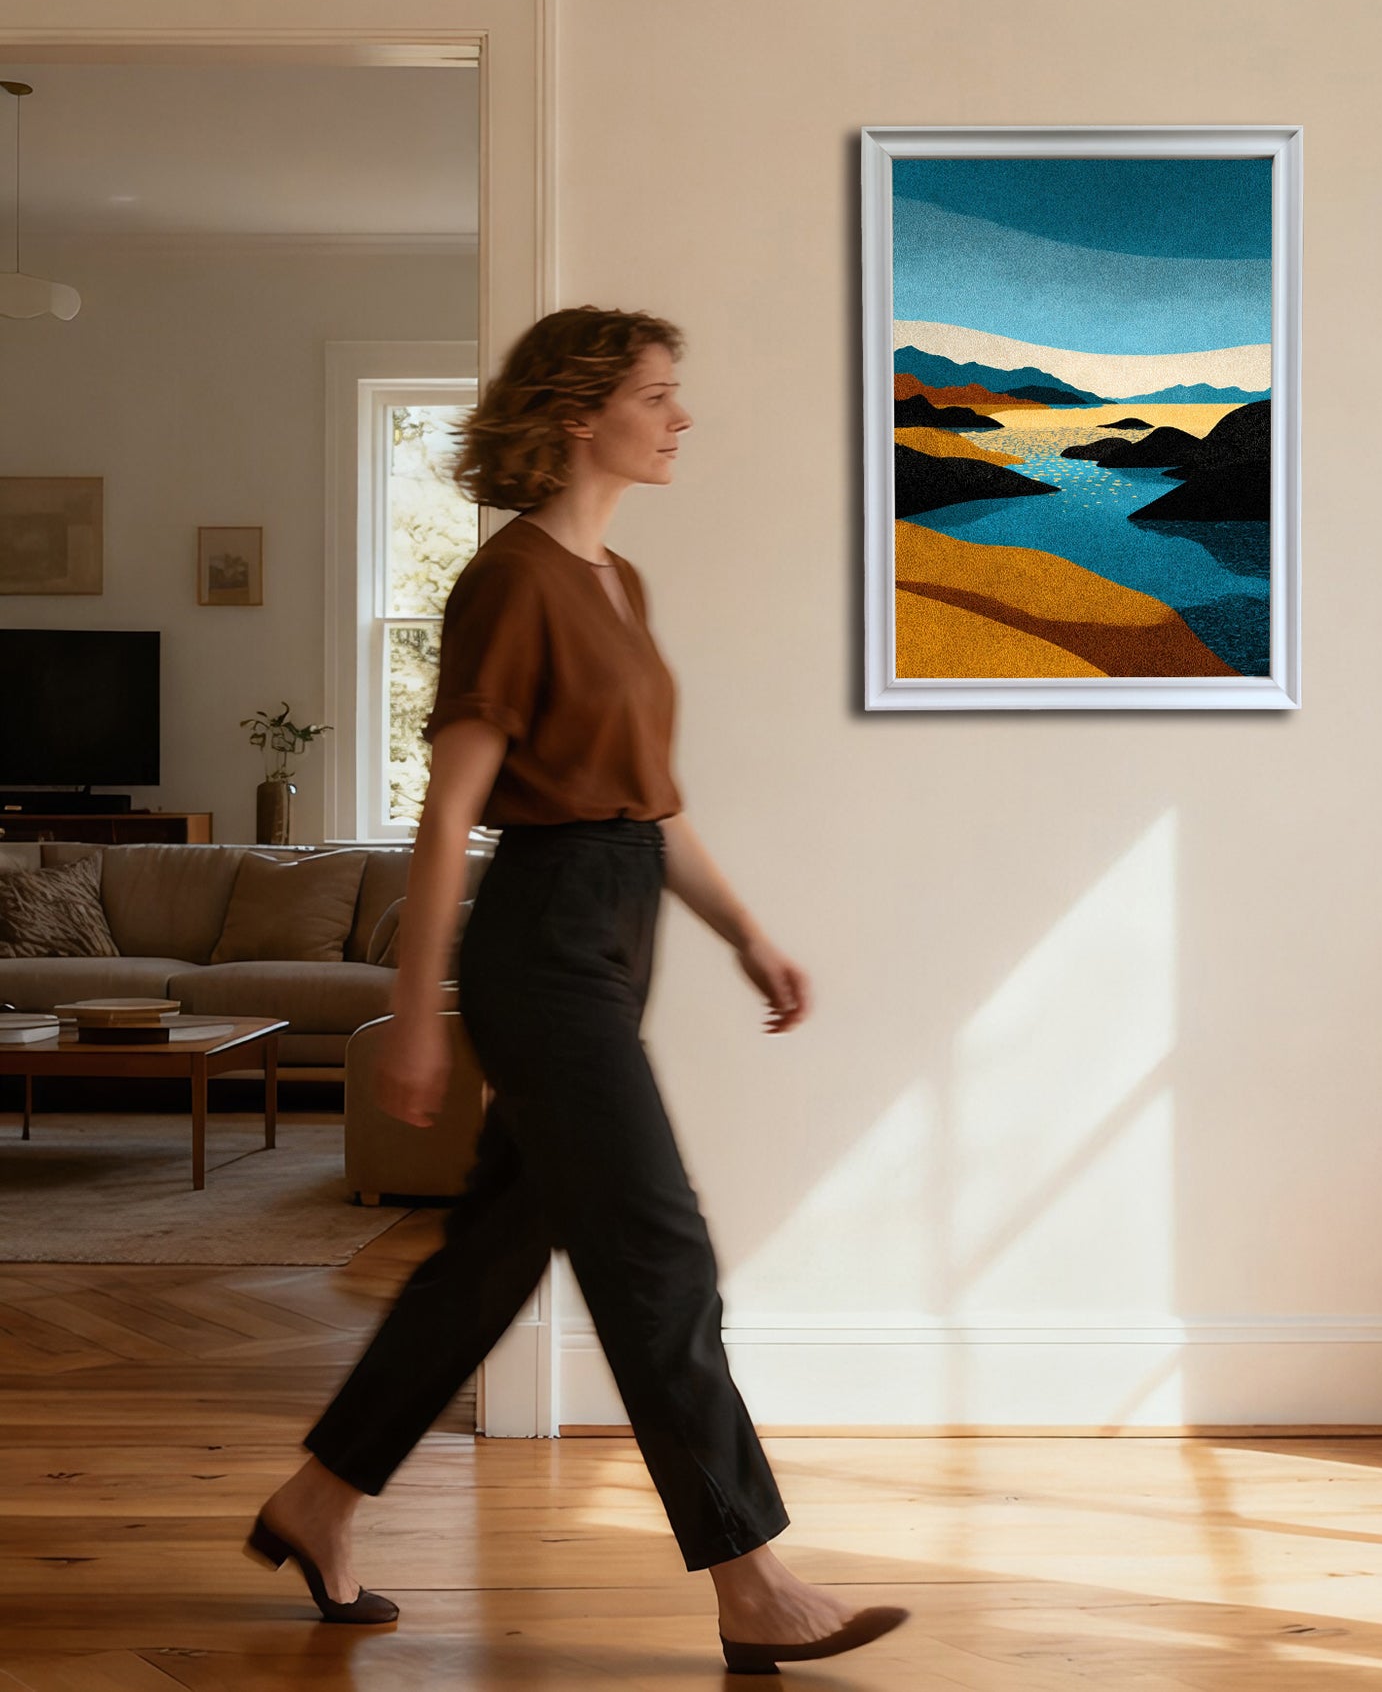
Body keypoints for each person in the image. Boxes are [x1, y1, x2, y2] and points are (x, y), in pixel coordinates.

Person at [243, 306, 908, 1675]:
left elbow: (652, 807)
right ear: (575, 414)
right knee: (657, 1249)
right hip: (542, 944)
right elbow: (449, 820)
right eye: (658, 395)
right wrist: (416, 1013)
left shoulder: (619, 583)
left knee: (491, 1257)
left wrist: (742, 932)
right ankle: (749, 1574)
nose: (679, 418)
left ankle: (320, 1498)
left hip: (614, 924)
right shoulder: (510, 580)